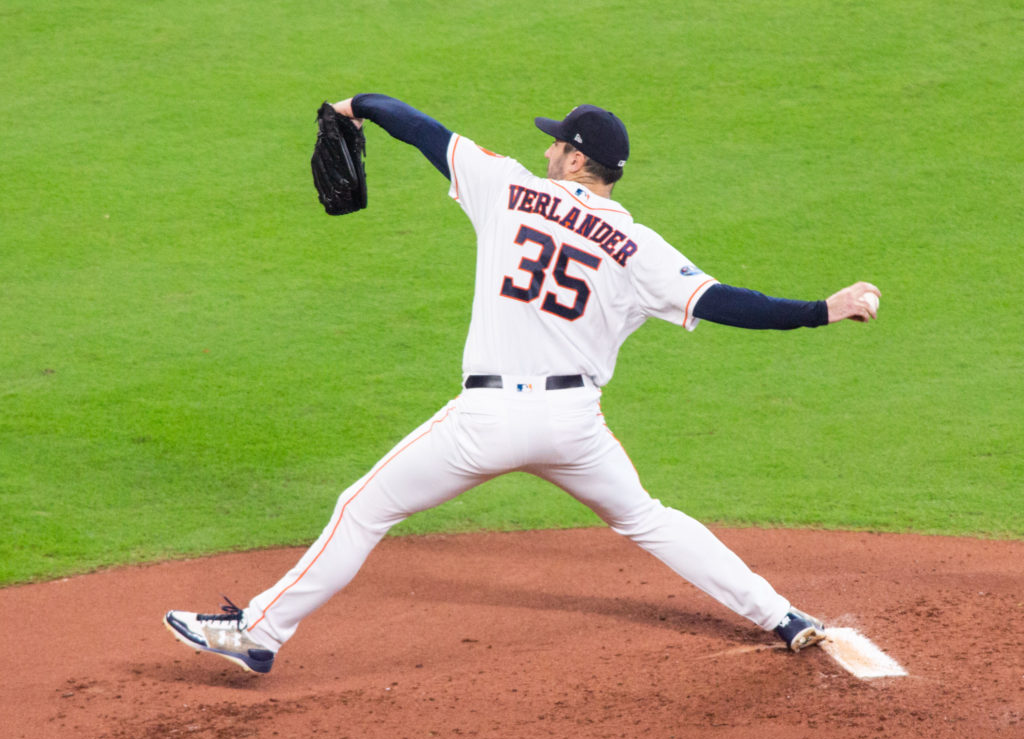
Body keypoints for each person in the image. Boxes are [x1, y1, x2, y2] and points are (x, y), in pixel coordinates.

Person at [164, 94, 880, 674]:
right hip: (574, 427)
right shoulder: (641, 247)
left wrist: (356, 106)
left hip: (487, 421)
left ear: (576, 159)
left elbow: (419, 128)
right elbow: (729, 303)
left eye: (556, 144)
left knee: (362, 509)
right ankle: (783, 616)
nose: (545, 152)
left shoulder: (508, 188)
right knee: (648, 518)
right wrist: (824, 309)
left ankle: (258, 633)